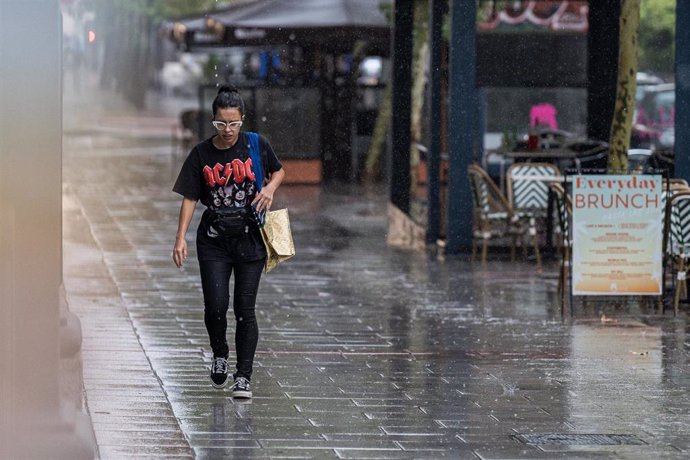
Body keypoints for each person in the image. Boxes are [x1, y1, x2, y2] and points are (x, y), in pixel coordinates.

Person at [172, 85, 285, 398]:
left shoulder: (255, 144)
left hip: (250, 240)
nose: (228, 131)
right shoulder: (201, 154)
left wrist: (269, 189)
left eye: (234, 123)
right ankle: (220, 353)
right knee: (215, 307)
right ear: (213, 121)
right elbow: (190, 197)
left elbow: (279, 171)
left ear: (243, 120)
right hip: (214, 241)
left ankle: (243, 376)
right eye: (221, 124)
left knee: (244, 309)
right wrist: (180, 237)